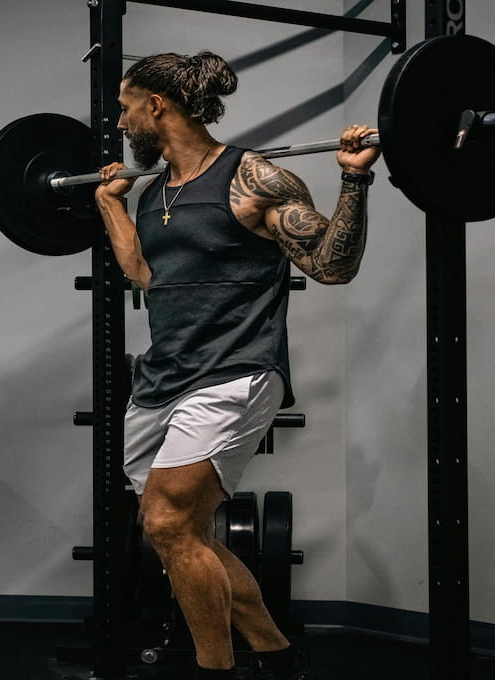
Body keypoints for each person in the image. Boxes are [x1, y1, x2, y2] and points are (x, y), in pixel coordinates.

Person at [95, 52, 379, 680]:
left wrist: (354, 180)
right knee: (182, 533)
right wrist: (111, 205)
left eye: (124, 108)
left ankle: (214, 671)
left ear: (156, 107)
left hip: (235, 370)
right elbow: (145, 274)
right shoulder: (154, 191)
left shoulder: (253, 179)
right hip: (164, 377)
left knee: (167, 521)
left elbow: (333, 265)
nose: (119, 122)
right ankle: (278, 658)